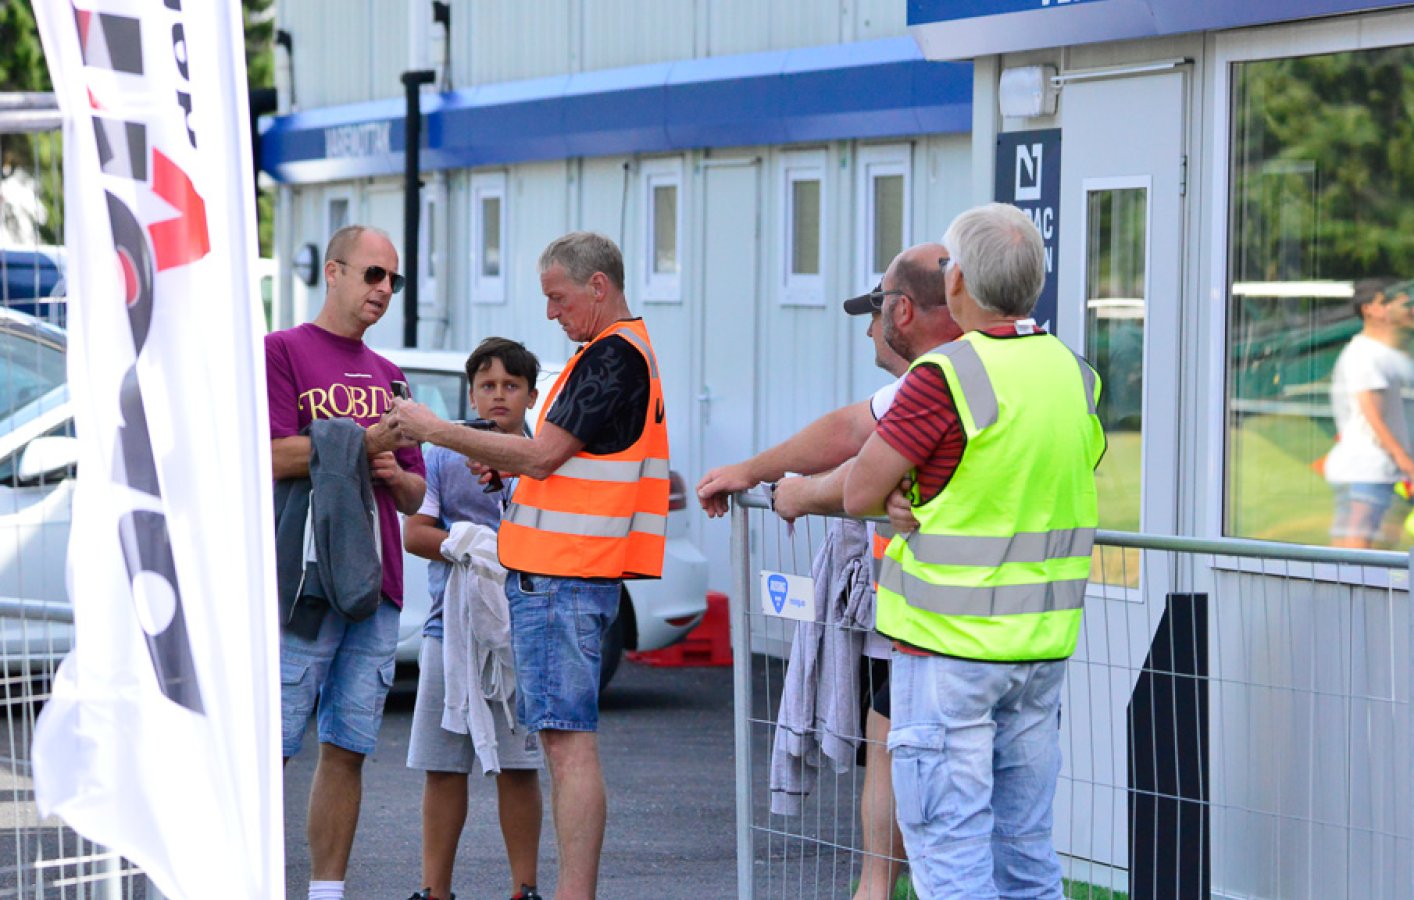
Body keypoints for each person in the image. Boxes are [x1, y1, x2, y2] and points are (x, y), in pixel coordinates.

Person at [385, 232, 667, 900]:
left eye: (557, 297)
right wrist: (500, 461)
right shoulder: (608, 355)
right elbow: (553, 463)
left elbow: (540, 459)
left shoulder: (611, 356)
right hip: (568, 575)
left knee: (566, 748)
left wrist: (432, 429)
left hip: (565, 577)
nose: (550, 313)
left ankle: (569, 893)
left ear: (598, 286)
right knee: (560, 747)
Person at [844, 203, 1104, 899]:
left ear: (956, 283)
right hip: (1040, 653)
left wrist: (898, 489)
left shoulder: (945, 375)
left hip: (948, 654)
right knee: (1025, 857)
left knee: (950, 856)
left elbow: (859, 487)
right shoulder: (1074, 374)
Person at [698, 243, 959, 899]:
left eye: (875, 311)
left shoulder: (944, 377)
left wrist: (789, 489)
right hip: (1006, 631)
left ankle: (877, 886)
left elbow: (857, 456)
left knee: (931, 797)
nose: (871, 328)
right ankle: (877, 885)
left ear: (902, 311)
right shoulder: (1044, 373)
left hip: (942, 624)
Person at [266, 225, 427, 900]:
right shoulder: (282, 352)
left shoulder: (391, 376)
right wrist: (361, 444)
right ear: (332, 272)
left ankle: (326, 893)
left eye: (392, 279)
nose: (383, 290)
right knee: (268, 747)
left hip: (376, 587)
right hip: (302, 584)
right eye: (371, 275)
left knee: (349, 746)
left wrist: (391, 466)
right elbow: (269, 455)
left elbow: (418, 494)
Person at [403, 338, 546, 900]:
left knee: (518, 766)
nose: (498, 396)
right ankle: (434, 891)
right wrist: (467, 544)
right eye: (487, 386)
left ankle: (525, 888)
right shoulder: (442, 455)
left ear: (532, 396)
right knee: (443, 765)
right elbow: (416, 533)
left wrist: (503, 546)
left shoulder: (543, 459)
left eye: (511, 386)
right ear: (471, 393)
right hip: (447, 627)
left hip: (524, 627)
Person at [1324, 278, 1414, 549]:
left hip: (1389, 472)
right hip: (1368, 470)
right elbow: (1376, 421)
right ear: (1372, 309)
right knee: (1359, 544)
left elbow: (1400, 422)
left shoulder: (1391, 356)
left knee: (1381, 546)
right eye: (1405, 304)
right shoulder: (1365, 356)